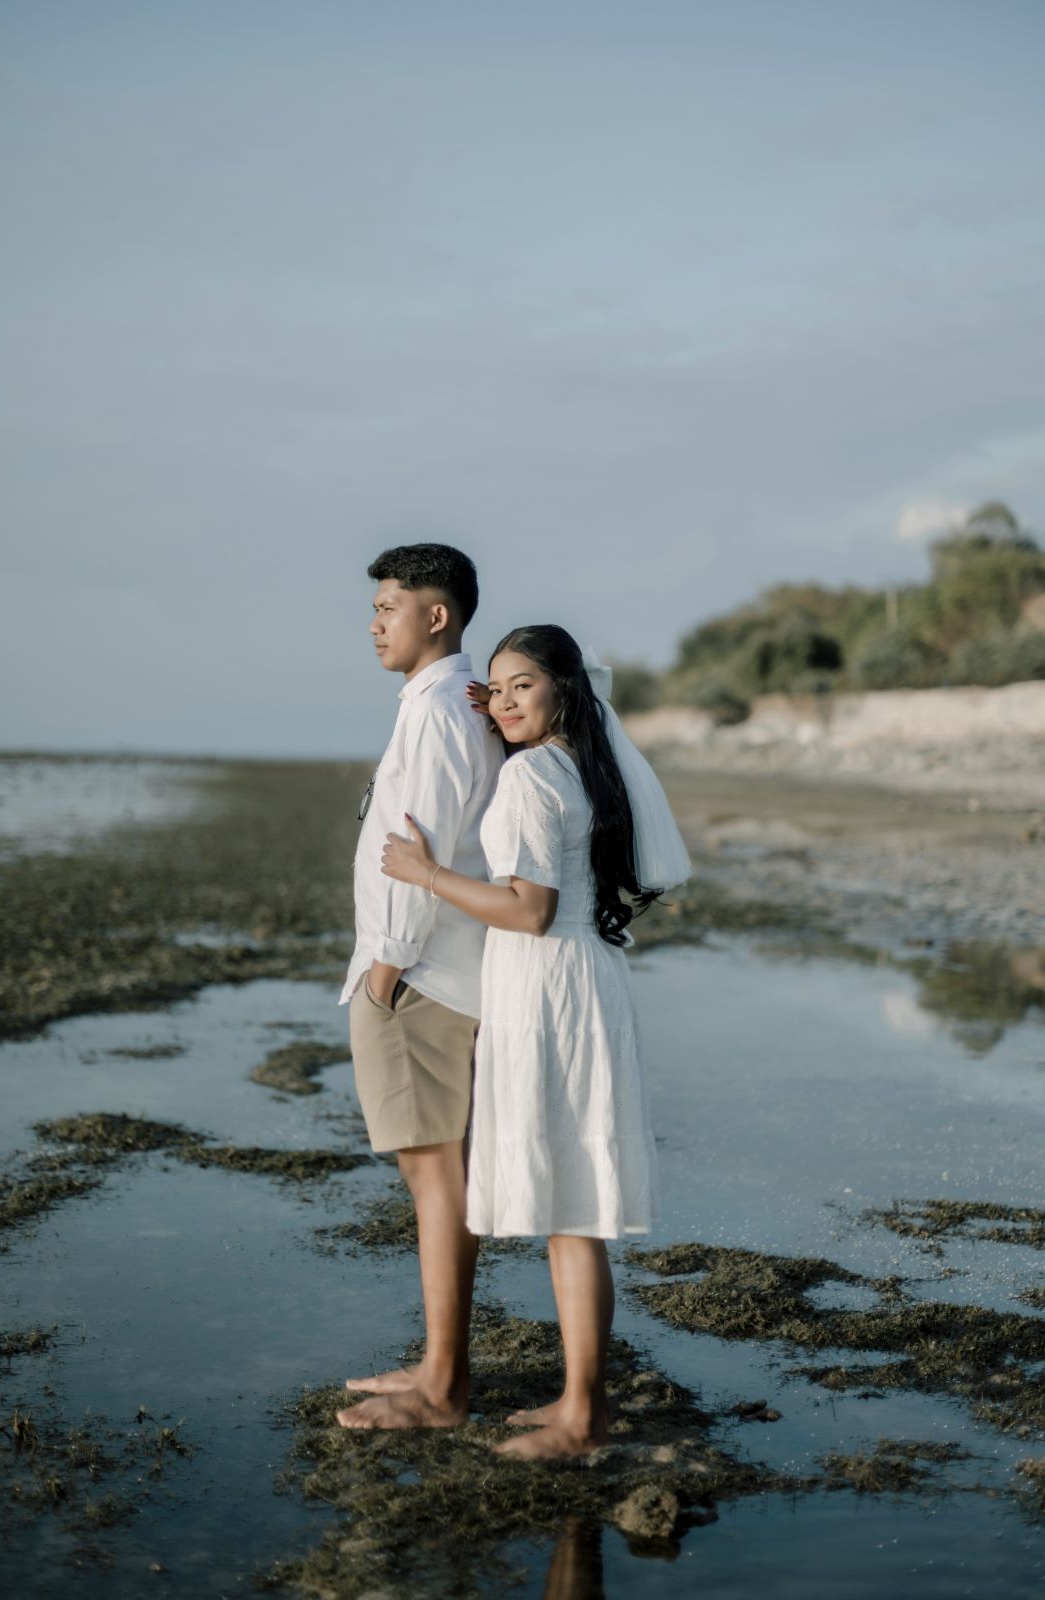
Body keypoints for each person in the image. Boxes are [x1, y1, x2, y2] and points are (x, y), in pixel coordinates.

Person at [380, 624, 690, 1458]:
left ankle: (581, 1419)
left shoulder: (526, 777)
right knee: (574, 1210)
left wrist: (426, 874)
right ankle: (577, 1404)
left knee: (571, 1213)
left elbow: (528, 909)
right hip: (584, 981)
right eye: (497, 688)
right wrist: (505, 704)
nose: (506, 701)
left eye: (524, 684)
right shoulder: (583, 764)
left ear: (564, 690)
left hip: (547, 988)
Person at [336, 544, 503, 1432]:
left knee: (436, 1177)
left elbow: (419, 846)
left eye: (388, 607)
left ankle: (442, 1389)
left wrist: (385, 972)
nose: (373, 624)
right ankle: (440, 1367)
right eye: (374, 607)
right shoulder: (448, 702)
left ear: (436, 616)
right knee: (436, 1174)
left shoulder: (441, 710)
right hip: (433, 973)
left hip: (423, 978)